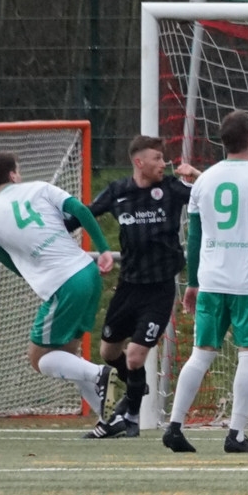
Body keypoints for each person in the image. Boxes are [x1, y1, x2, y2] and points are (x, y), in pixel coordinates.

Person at [161, 110, 248, 453]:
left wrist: (192, 282)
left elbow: (194, 236)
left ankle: (174, 426)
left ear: (223, 142)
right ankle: (236, 435)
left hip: (212, 281)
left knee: (201, 354)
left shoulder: (204, 181)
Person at [0, 152, 118, 427]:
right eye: (18, 170)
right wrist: (103, 249)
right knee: (66, 354)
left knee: (38, 358)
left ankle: (99, 373)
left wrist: (29, 273)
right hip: (87, 272)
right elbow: (81, 210)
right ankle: (110, 420)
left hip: (64, 284)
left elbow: (2, 256)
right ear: (13, 175)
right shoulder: (40, 188)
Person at [73, 135, 201, 438]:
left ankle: (129, 416)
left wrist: (197, 176)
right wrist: (48, 228)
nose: (163, 163)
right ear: (139, 162)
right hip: (128, 286)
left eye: (163, 158)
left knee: (134, 355)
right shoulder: (118, 191)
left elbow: (213, 194)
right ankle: (135, 386)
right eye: (157, 158)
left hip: (159, 289)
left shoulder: (171, 188)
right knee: (108, 351)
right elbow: (85, 214)